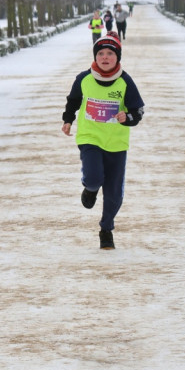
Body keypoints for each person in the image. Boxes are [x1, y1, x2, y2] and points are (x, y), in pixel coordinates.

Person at [61, 34, 145, 250]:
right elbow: (73, 101)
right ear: (95, 56)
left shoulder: (125, 81)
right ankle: (90, 187)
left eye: (110, 53)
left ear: (117, 57)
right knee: (94, 176)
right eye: (100, 53)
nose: (105, 57)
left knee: (114, 192)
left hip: (116, 143)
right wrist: (67, 120)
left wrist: (128, 118)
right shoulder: (83, 79)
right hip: (90, 138)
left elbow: (137, 110)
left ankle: (106, 229)